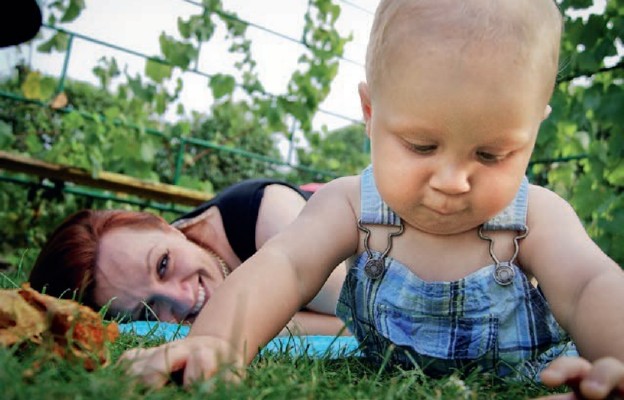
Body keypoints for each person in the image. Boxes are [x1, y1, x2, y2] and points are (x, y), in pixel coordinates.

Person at [119, 0, 624, 398]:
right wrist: (215, 342)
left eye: (492, 154)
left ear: (534, 129)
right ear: (369, 111)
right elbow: (285, 265)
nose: (452, 180)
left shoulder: (533, 216)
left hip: (531, 381)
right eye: (420, 146)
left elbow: (588, 285)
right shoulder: (352, 207)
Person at [28, 178, 347, 336]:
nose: (181, 300)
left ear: (168, 227)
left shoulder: (267, 216)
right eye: (148, 311)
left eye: (163, 265)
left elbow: (367, 319)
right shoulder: (158, 251)